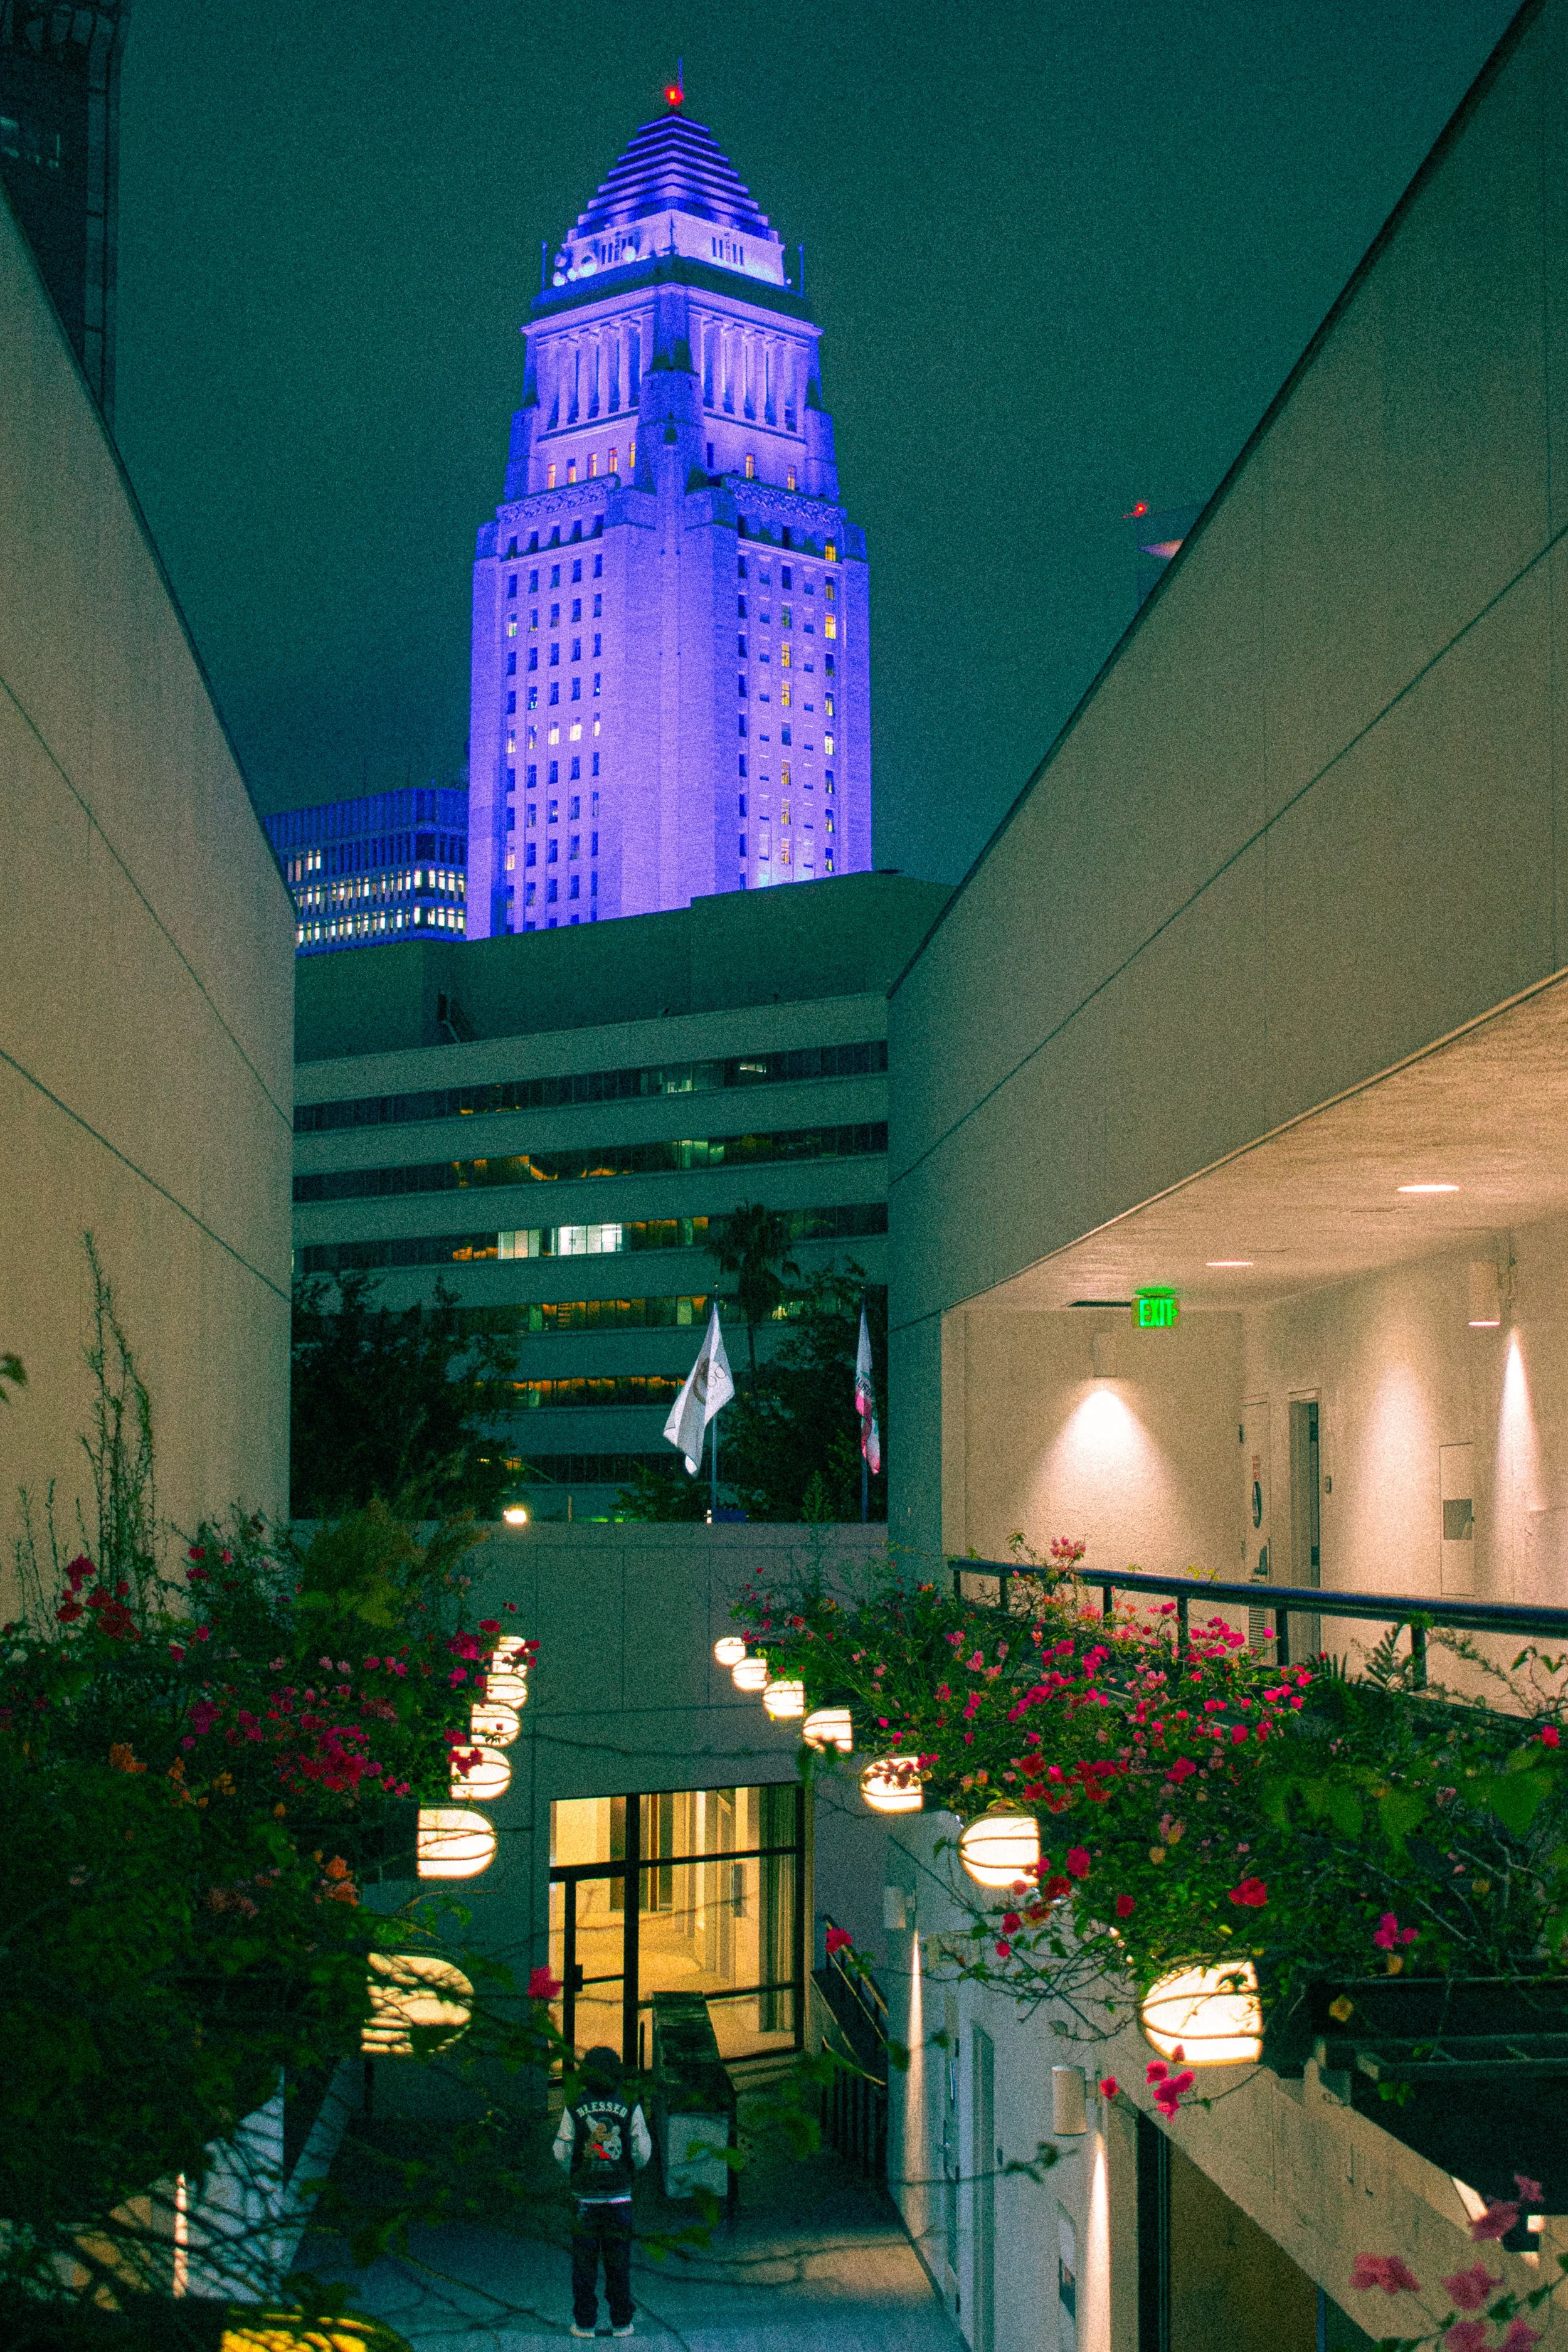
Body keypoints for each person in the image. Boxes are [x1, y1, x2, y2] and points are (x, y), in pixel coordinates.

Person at [553, 2044, 652, 2338]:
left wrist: (575, 2173)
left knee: (584, 2264)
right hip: (620, 2197)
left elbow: (561, 2150)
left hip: (585, 2199)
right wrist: (630, 2169)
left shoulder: (574, 2105)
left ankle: (585, 2323)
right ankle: (622, 2321)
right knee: (618, 2262)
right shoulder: (630, 2103)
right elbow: (642, 2150)